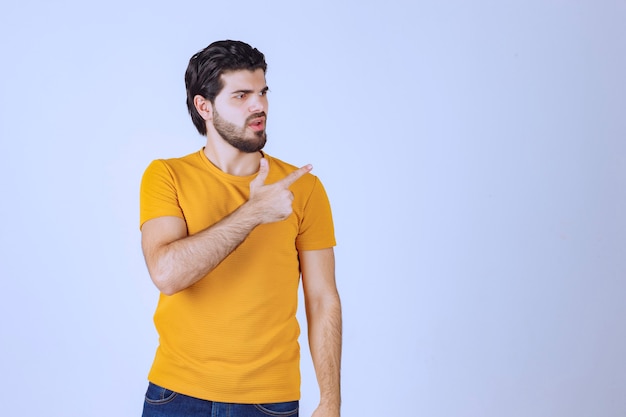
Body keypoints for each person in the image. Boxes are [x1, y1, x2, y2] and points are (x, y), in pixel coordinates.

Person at [139, 40, 342, 417]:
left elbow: (322, 299)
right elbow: (166, 273)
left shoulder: (303, 187)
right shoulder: (166, 176)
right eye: (242, 95)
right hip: (176, 396)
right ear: (205, 107)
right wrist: (253, 212)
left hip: (269, 401)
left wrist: (330, 400)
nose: (259, 105)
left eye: (263, 92)